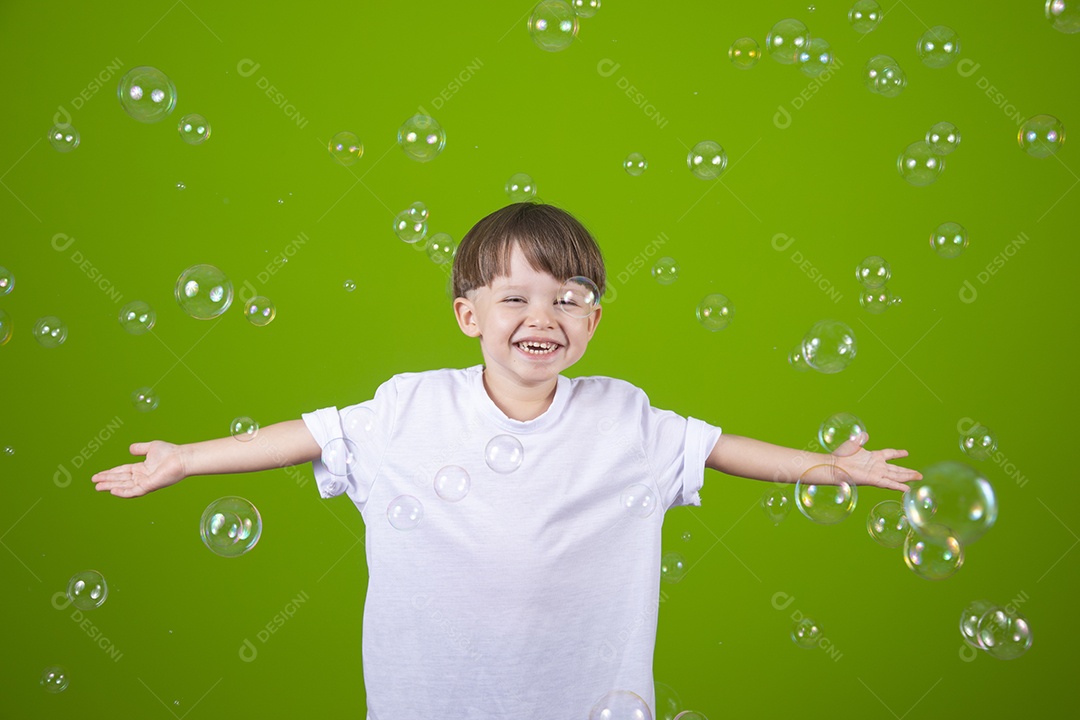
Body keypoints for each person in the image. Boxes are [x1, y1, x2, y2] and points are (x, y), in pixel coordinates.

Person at [92, 202, 921, 719]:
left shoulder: (623, 417)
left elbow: (720, 449)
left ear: (592, 324)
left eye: (570, 298)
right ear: (468, 314)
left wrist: (829, 468)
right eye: (515, 297)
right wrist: (187, 458)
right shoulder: (410, 406)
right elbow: (309, 435)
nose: (544, 314)